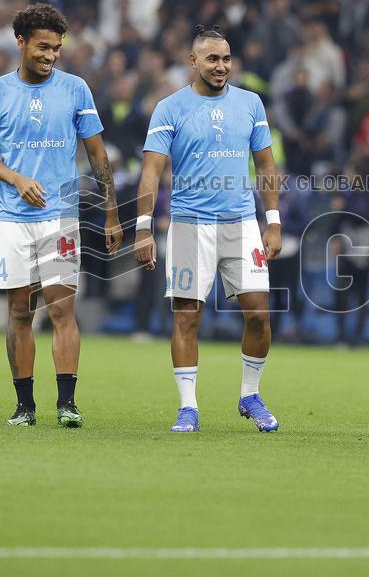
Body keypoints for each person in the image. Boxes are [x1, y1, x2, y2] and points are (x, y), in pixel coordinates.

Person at [0, 3, 122, 429]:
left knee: (62, 310)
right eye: (42, 47)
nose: (51, 55)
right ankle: (25, 407)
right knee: (20, 313)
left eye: (56, 48)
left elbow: (97, 154)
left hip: (60, 217)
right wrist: (17, 179)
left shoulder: (76, 89)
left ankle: (67, 404)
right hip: (15, 218)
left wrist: (112, 213)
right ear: (20, 42)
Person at [134, 25, 282, 433]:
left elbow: (267, 166)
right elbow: (152, 170)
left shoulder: (251, 104)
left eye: (226, 59)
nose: (221, 66)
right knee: (186, 317)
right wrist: (143, 227)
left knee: (259, 315)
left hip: (241, 225)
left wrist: (273, 223)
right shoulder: (170, 108)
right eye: (213, 59)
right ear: (193, 61)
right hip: (189, 227)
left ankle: (250, 395)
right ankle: (188, 409)